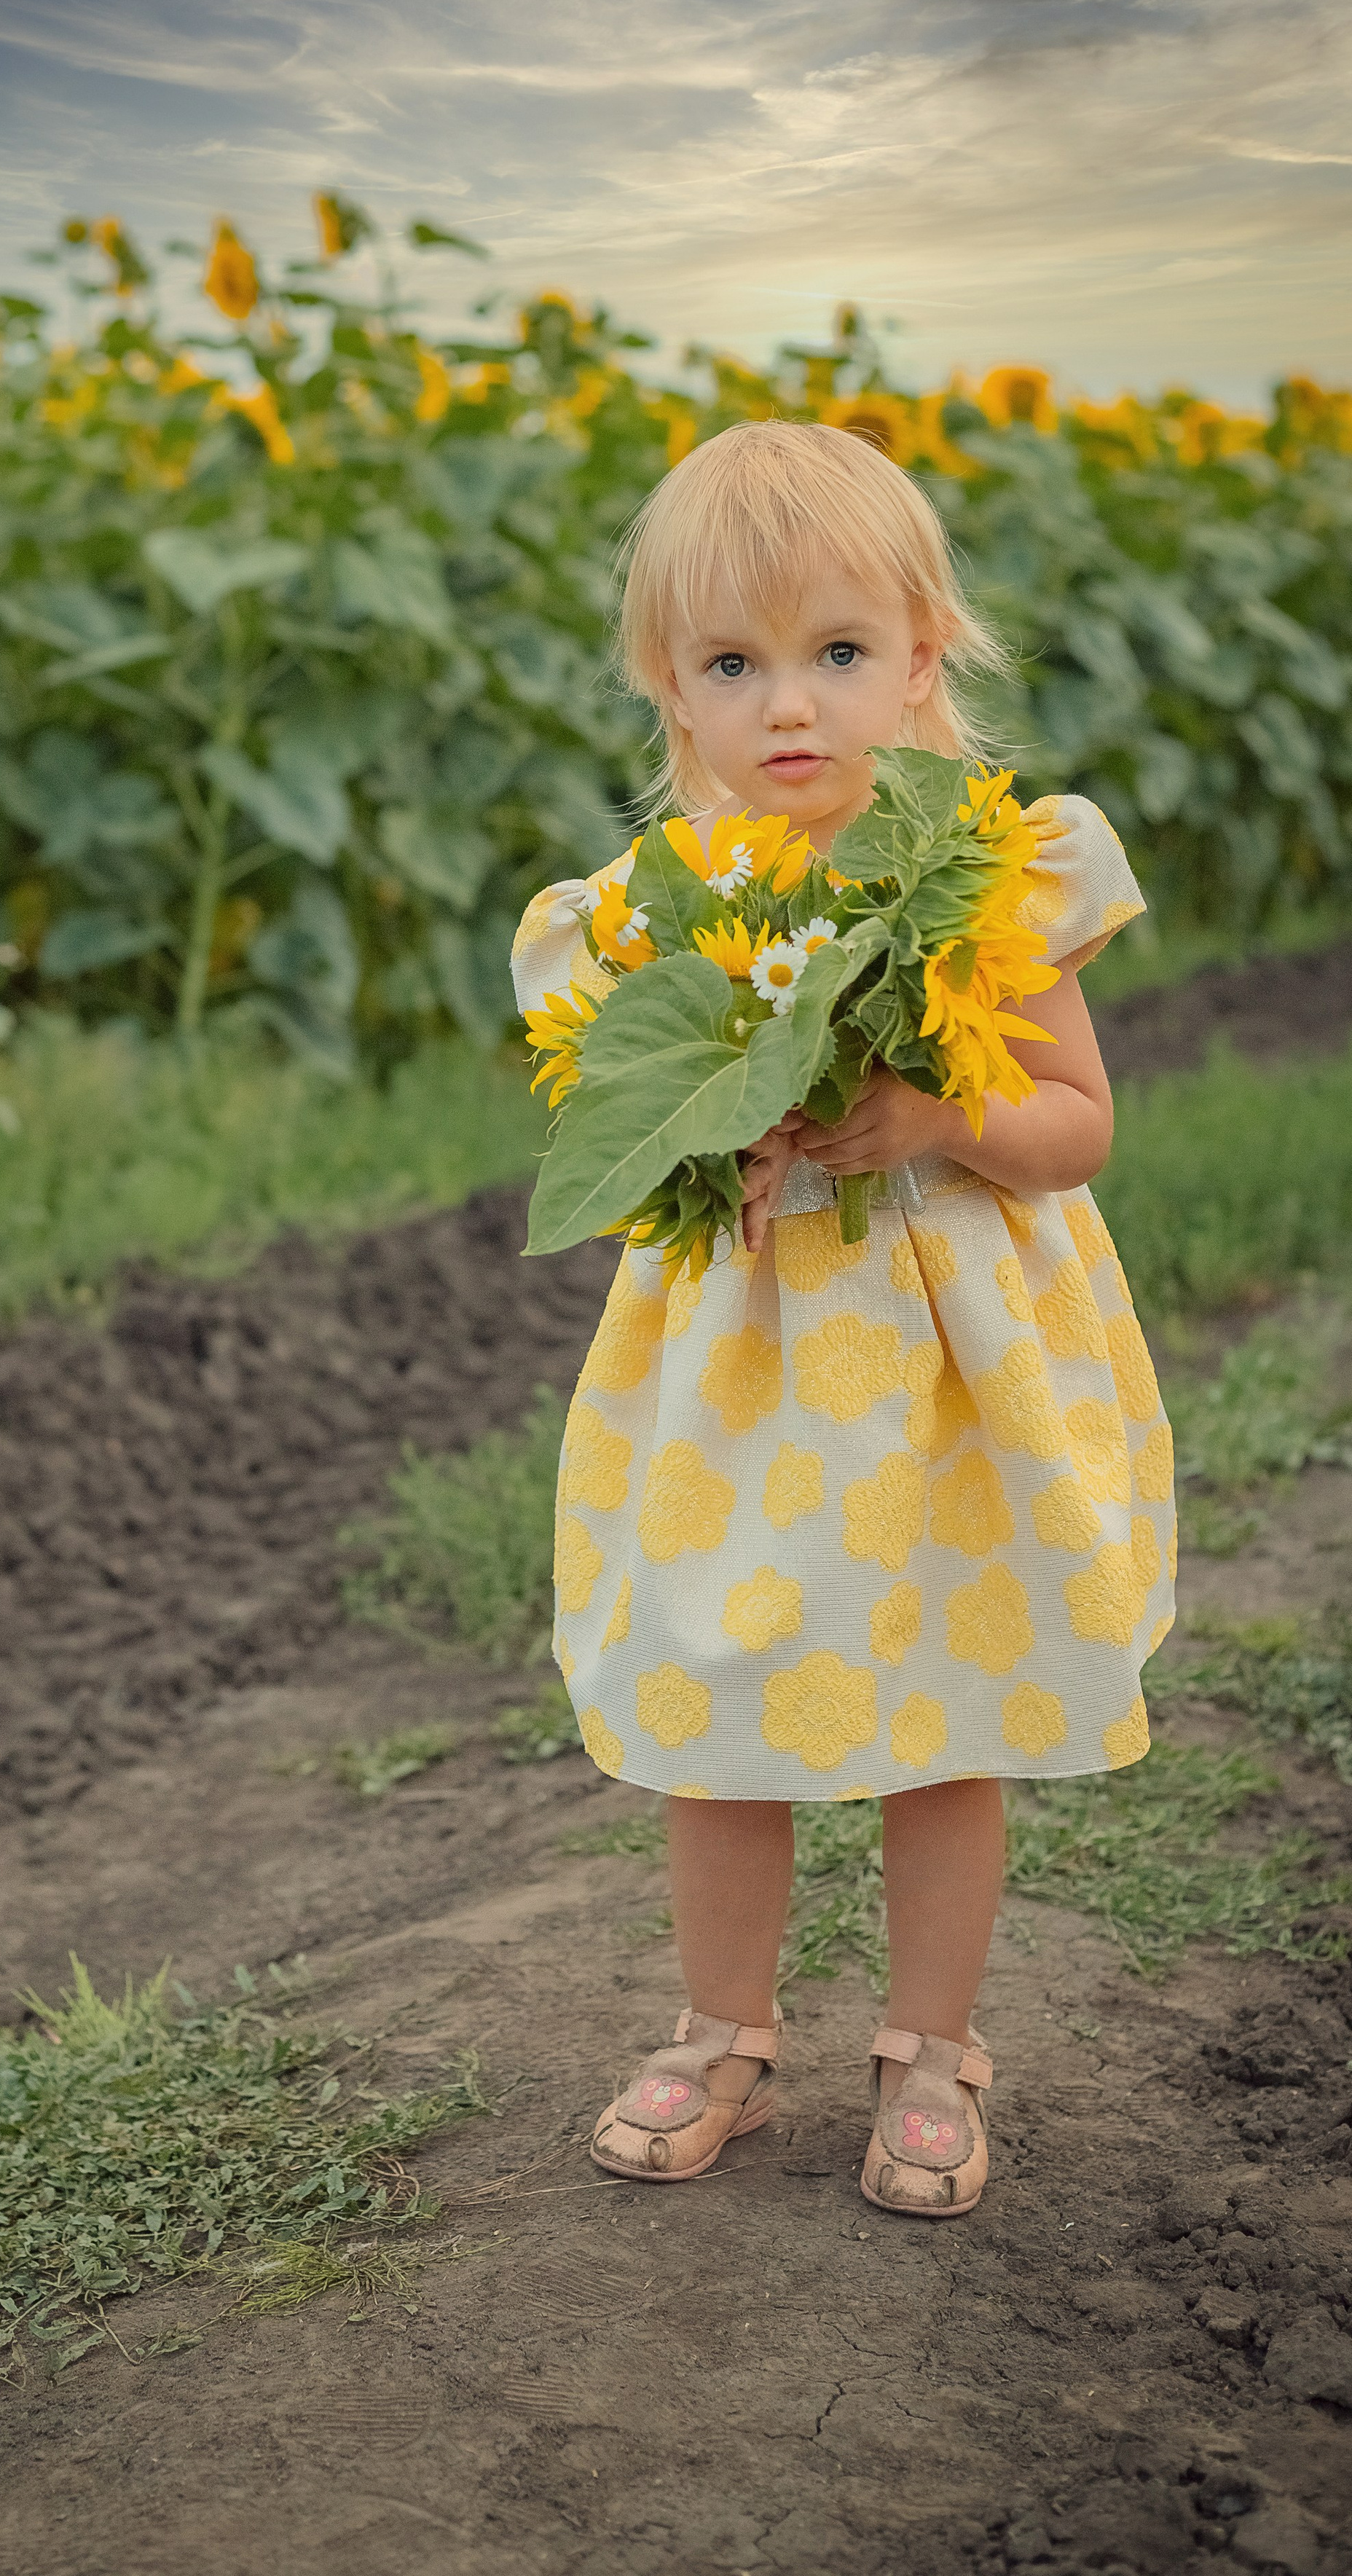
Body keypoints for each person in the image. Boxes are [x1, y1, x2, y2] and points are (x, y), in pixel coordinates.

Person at [511, 420, 1174, 2218]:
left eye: (834, 655)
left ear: (921, 656)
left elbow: (1075, 1126)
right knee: (719, 1687)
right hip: (742, 1375)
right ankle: (722, 2022)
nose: (786, 707)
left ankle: (930, 2046)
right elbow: (621, 1122)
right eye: (733, 664)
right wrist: (694, 1151)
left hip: (940, 1370)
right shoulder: (652, 920)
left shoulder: (977, 878)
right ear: (672, 688)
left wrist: (941, 1115)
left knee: (935, 1704)